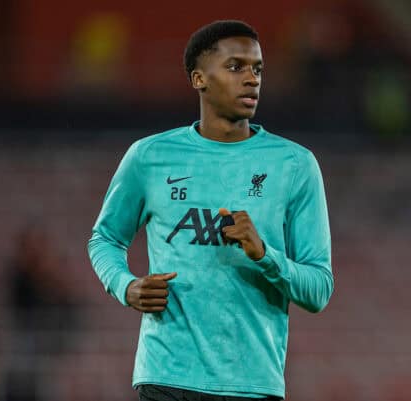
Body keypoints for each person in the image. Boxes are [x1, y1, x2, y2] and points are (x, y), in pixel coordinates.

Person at [88, 20, 333, 401]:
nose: (251, 79)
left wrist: (265, 255)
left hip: (252, 384)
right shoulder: (150, 157)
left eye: (257, 69)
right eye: (235, 67)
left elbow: (318, 290)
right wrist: (126, 285)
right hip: (166, 375)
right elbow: (105, 238)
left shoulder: (295, 165)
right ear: (199, 78)